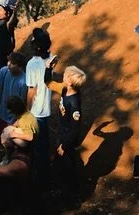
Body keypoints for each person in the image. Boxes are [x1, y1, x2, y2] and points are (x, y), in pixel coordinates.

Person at [25, 27, 56, 190]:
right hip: (46, 108)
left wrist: (27, 112)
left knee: (37, 147)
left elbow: (31, 91)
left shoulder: (32, 64)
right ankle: (45, 176)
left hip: (36, 111)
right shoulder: (51, 59)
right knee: (43, 143)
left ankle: (41, 180)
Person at [55, 65, 88, 208]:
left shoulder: (74, 103)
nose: (63, 75)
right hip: (62, 134)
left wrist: (64, 145)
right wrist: (49, 69)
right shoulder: (65, 90)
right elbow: (49, 83)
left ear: (69, 82)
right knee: (62, 167)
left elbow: (75, 129)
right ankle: (65, 192)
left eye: (65, 75)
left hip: (67, 140)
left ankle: (73, 198)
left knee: (69, 169)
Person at [0, 52, 28, 145]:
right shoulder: (3, 71)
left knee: (9, 139)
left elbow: (23, 100)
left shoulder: (24, 80)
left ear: (19, 66)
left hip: (12, 114)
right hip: (1, 108)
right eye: (8, 61)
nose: (8, 64)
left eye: (12, 63)